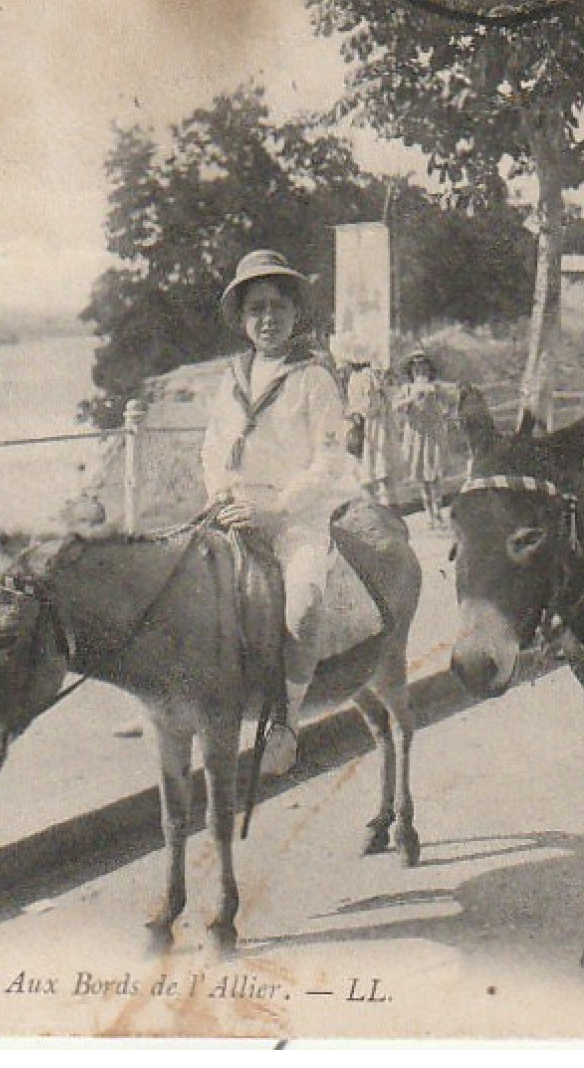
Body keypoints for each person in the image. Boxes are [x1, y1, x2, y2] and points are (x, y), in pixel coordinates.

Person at [201, 249, 361, 776]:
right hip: (233, 508)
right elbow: (213, 446)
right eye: (256, 309)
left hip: (294, 514)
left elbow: (331, 459)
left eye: (277, 307)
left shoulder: (314, 378)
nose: (267, 319)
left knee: (303, 605)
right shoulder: (231, 378)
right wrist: (222, 493)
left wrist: (273, 510)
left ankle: (287, 721)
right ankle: (179, 695)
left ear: (295, 314)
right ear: (243, 320)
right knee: (183, 588)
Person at [393, 349, 455, 530]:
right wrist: (411, 400)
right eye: (416, 369)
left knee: (434, 475)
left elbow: (452, 402)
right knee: (422, 476)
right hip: (416, 435)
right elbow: (396, 407)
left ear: (429, 370)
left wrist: (445, 415)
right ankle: (429, 513)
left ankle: (437, 512)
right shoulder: (407, 389)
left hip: (433, 434)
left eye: (424, 368)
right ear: (411, 372)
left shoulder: (436, 388)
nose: (420, 371)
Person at [345, 360, 397, 506]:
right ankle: (376, 501)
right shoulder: (356, 377)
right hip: (367, 424)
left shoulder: (366, 376)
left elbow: (371, 404)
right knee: (366, 460)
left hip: (373, 424)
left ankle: (384, 501)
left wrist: (357, 412)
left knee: (376, 459)